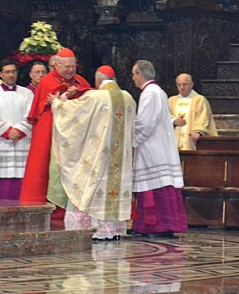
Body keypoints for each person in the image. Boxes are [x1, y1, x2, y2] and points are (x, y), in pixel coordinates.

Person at [51, 65, 135, 240]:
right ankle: (113, 230)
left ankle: (94, 229)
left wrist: (58, 102)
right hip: (120, 159)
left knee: (90, 188)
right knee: (112, 190)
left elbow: (73, 114)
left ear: (98, 79)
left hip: (99, 155)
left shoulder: (95, 96)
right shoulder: (128, 98)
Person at [20, 48, 92, 204]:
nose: (71, 70)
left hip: (74, 132)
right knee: (44, 163)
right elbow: (43, 105)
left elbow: (89, 100)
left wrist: (75, 94)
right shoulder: (47, 82)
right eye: (67, 67)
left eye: (73, 66)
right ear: (56, 66)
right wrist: (63, 99)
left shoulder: (80, 81)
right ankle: (40, 201)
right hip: (50, 128)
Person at [131, 60, 188, 237]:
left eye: (134, 74)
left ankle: (155, 227)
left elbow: (145, 123)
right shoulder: (158, 91)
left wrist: (131, 140)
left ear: (141, 74)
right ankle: (161, 227)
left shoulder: (150, 93)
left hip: (152, 149)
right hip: (158, 147)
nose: (133, 78)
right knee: (160, 185)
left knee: (153, 187)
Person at [0, 59, 34, 200]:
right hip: (0, 142)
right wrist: (8, 132)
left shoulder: (27, 93)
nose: (11, 75)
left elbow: (31, 115)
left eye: (13, 71)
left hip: (21, 141)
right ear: (0, 74)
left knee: (21, 176)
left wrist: (19, 131)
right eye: (7, 72)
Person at [167, 73, 218, 151]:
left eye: (185, 84)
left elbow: (203, 118)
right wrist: (174, 120)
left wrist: (198, 131)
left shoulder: (200, 100)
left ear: (191, 85)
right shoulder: (171, 100)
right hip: (174, 138)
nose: (182, 87)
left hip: (192, 141)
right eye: (179, 85)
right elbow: (165, 116)